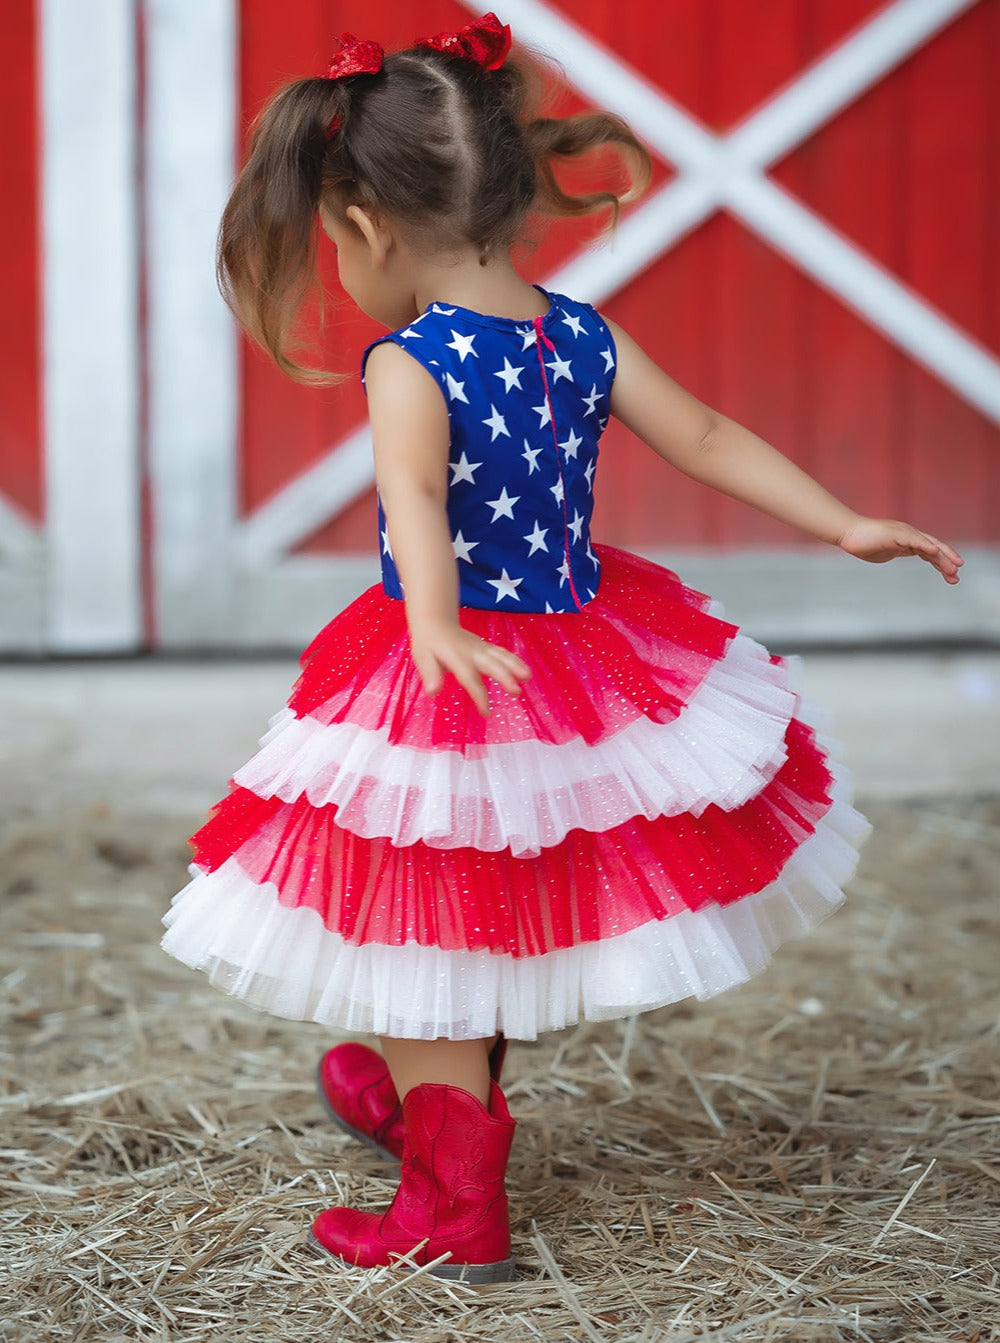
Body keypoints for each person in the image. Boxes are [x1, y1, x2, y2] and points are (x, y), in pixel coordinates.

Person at [160, 12, 964, 1285]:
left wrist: (428, 620)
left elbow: (415, 501)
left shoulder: (410, 360)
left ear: (364, 225)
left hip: (454, 668)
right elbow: (703, 434)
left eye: (332, 240)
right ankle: (430, 1099)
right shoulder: (575, 329)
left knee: (419, 905)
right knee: (461, 898)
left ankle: (447, 1198)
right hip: (575, 659)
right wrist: (844, 517)